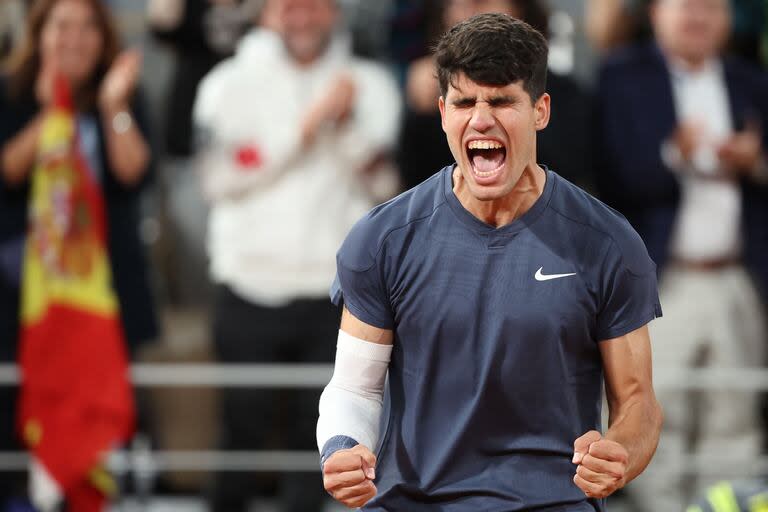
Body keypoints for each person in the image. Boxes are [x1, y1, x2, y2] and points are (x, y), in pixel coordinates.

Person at [317, 12, 663, 511]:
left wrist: (619, 452)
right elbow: (354, 387)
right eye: (464, 102)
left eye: (501, 101)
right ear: (442, 112)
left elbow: (638, 403)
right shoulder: (383, 238)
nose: (481, 118)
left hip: (552, 504)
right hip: (412, 502)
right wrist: (342, 447)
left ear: (541, 110)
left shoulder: (608, 243)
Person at [192, 0, 401, 510]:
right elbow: (215, 178)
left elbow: (388, 187)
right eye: (289, 4)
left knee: (325, 451)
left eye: (315, 4)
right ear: (268, 12)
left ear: (335, 11)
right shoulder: (225, 84)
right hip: (248, 284)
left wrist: (345, 124)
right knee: (239, 433)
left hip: (337, 295)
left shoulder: (370, 84)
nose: (302, 15)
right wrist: (304, 129)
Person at [595, 0, 768, 509]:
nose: (697, 13)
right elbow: (608, 176)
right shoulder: (621, 77)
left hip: (738, 276)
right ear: (654, 14)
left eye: (710, 5)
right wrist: (676, 156)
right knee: (653, 412)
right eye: (684, 3)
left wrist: (755, 161)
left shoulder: (750, 79)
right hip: (657, 279)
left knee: (734, 416)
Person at [0, 0, 158, 506]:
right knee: (23, 426)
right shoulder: (12, 91)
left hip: (106, 297)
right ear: (39, 35)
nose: (76, 39)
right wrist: (54, 111)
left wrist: (112, 107)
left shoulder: (124, 94)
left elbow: (134, 170)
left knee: (100, 430)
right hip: (27, 299)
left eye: (89, 28)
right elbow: (8, 170)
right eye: (62, 27)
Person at [399, 0, 594, 191]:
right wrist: (421, 113)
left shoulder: (565, 92)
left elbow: (567, 171)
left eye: (478, 2)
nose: (460, 14)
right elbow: (414, 180)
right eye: (453, 4)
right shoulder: (431, 88)